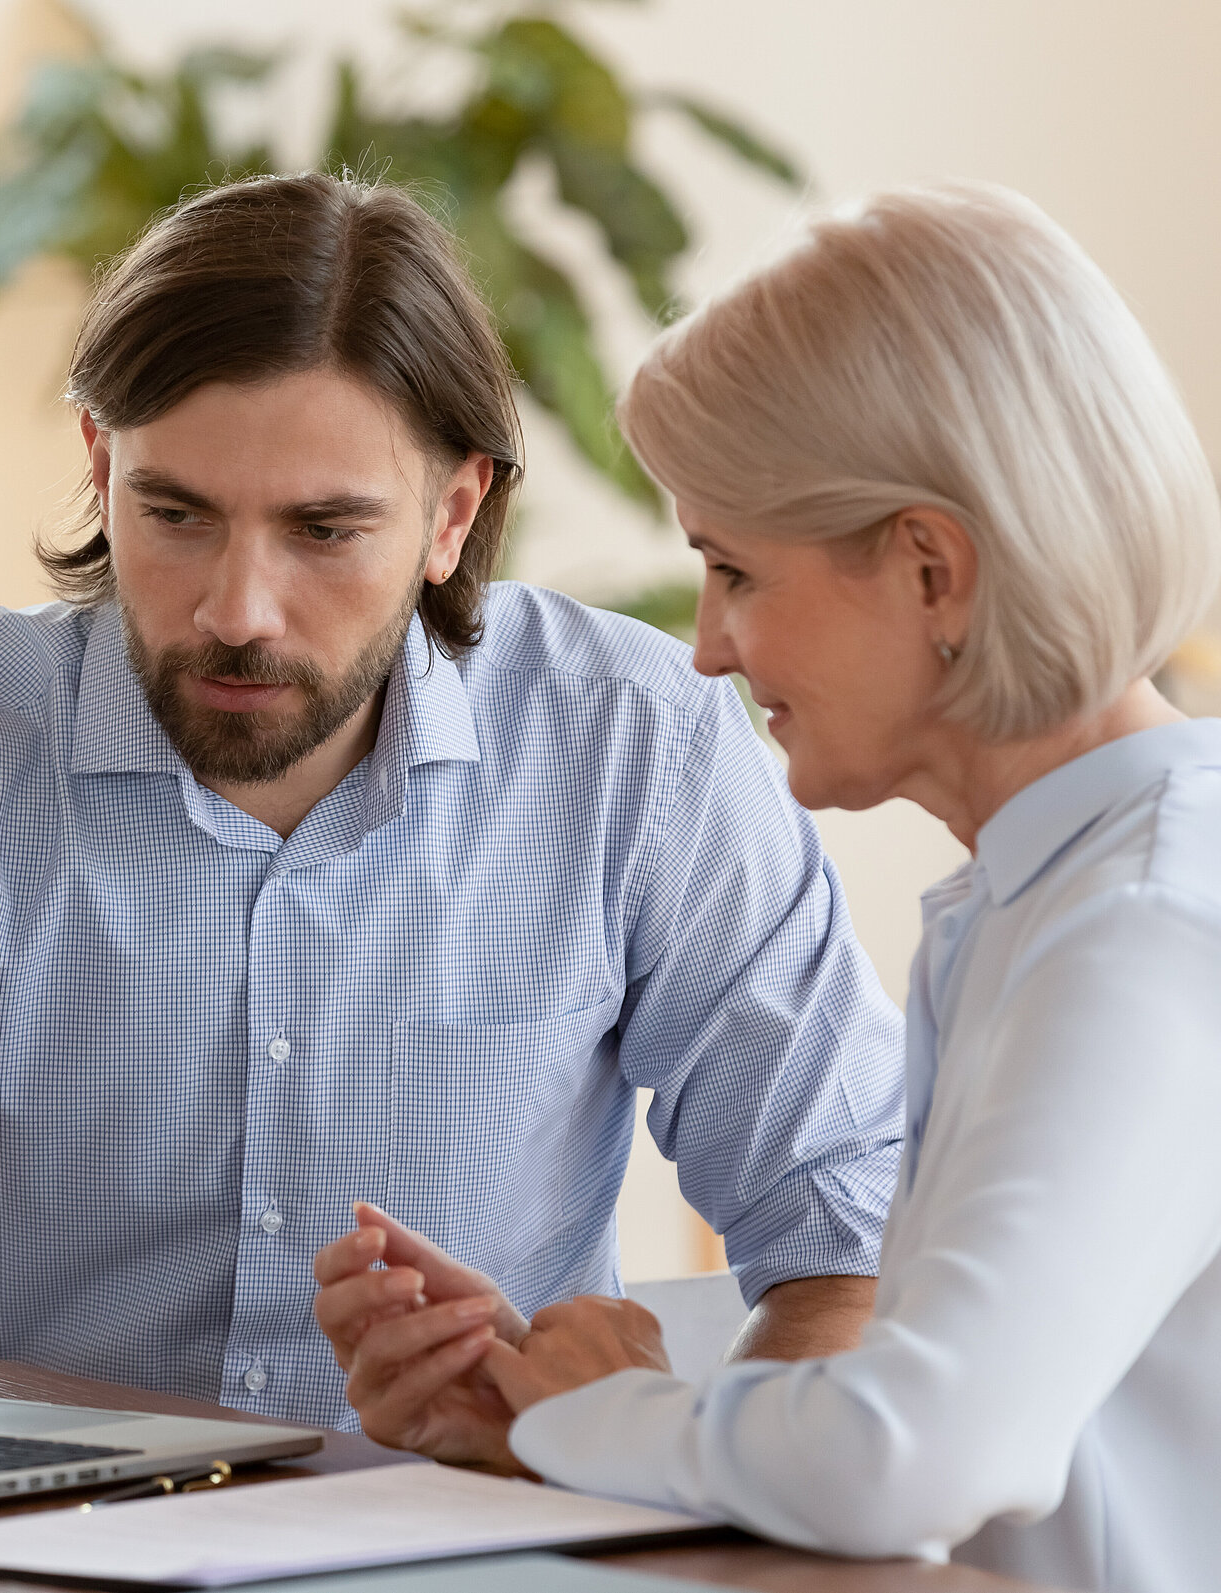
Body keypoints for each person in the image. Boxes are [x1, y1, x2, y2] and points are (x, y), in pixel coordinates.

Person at [0, 172, 904, 1432]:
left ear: (452, 515)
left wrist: (709, 1482)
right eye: (176, 514)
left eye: (326, 530)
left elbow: (841, 1220)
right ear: (102, 465)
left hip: (477, 1538)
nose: (237, 608)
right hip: (44, 1552)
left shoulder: (635, 748)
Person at [314, 182, 1221, 1592]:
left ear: (933, 571)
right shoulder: (1049, 895)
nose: (710, 650)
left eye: (736, 570)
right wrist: (557, 1413)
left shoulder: (1145, 925)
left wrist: (608, 1411)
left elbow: (920, 1453)